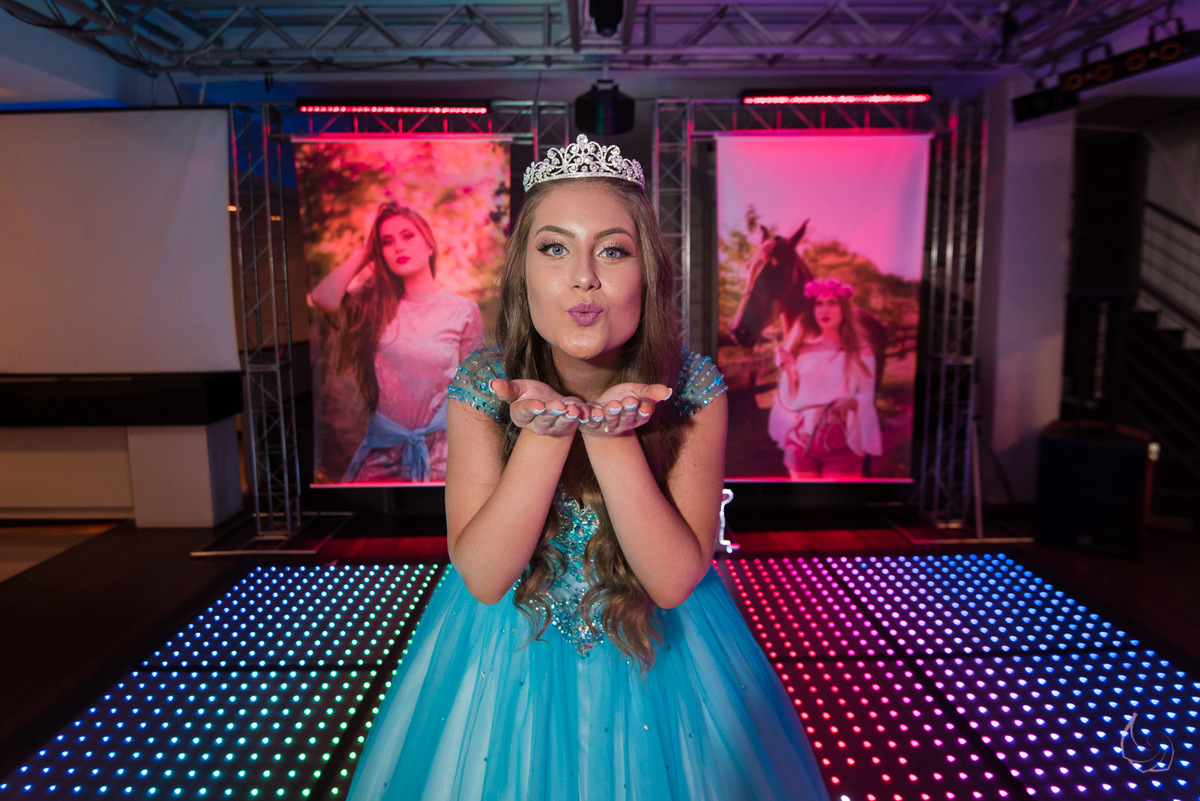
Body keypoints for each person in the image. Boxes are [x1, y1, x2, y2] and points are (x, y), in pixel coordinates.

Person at [346, 135, 831, 800]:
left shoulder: (693, 388)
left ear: (647, 271)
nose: (584, 276)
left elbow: (671, 582)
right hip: (507, 658)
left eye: (612, 249)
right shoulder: (482, 385)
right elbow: (483, 575)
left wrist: (609, 435)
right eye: (555, 248)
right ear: (522, 272)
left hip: (662, 660)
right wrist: (544, 435)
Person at [310, 202, 484, 483]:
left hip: (442, 454)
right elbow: (323, 297)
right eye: (387, 242)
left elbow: (474, 391)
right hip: (384, 451)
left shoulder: (462, 310)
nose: (399, 247)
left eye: (407, 236)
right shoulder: (375, 307)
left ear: (429, 244)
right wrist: (366, 252)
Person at [768, 277, 882, 479]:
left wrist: (851, 402)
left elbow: (867, 395)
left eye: (832, 303)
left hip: (842, 441)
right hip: (801, 442)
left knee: (837, 498)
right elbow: (790, 399)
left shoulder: (860, 350)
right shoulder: (801, 349)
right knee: (802, 498)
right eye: (819, 304)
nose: (824, 311)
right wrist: (788, 369)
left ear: (843, 309)